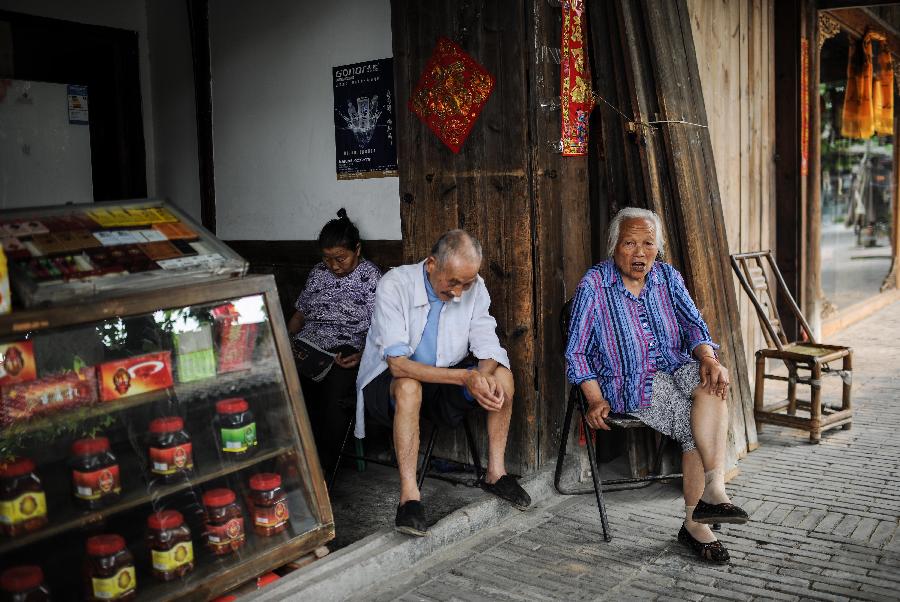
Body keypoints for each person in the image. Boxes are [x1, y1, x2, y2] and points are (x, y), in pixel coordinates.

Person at [565, 206, 749, 564]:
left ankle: (714, 489)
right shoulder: (594, 285)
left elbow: (694, 327)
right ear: (614, 246)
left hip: (676, 364)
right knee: (692, 421)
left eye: (648, 243)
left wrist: (709, 358)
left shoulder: (667, 276)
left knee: (712, 382)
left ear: (657, 248)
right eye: (629, 243)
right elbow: (576, 352)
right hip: (631, 380)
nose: (640, 252)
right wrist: (594, 398)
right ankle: (695, 523)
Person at [355, 229, 531, 536]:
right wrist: (466, 377)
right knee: (409, 388)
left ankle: (496, 473)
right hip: (392, 382)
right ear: (432, 264)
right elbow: (398, 364)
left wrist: (482, 376)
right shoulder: (395, 284)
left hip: (445, 377)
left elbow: (486, 342)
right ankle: (409, 498)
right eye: (453, 282)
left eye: (467, 283)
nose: (460, 292)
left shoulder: (474, 286)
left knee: (502, 377)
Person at [288, 208, 381, 469]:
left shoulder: (371, 277)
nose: (334, 266)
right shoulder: (318, 273)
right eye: (328, 259)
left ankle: (323, 468)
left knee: (333, 394)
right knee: (288, 384)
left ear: (357, 249)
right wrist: (285, 340)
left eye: (341, 258)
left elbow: (383, 327)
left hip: (347, 348)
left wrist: (364, 355)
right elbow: (299, 315)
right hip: (308, 343)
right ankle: (294, 461)